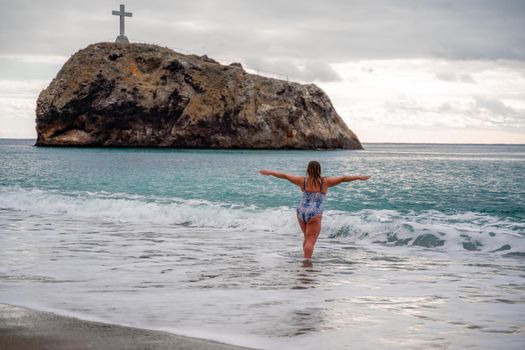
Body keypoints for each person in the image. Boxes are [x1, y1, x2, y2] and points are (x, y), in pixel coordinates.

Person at [259, 161, 370, 261]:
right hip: (315, 212)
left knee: (307, 238)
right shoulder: (325, 182)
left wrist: (269, 172)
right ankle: (306, 263)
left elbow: (285, 176)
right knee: (311, 240)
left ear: (308, 170)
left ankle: (305, 258)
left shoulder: (302, 180)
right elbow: (343, 178)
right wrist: (359, 177)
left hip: (301, 210)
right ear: (319, 170)